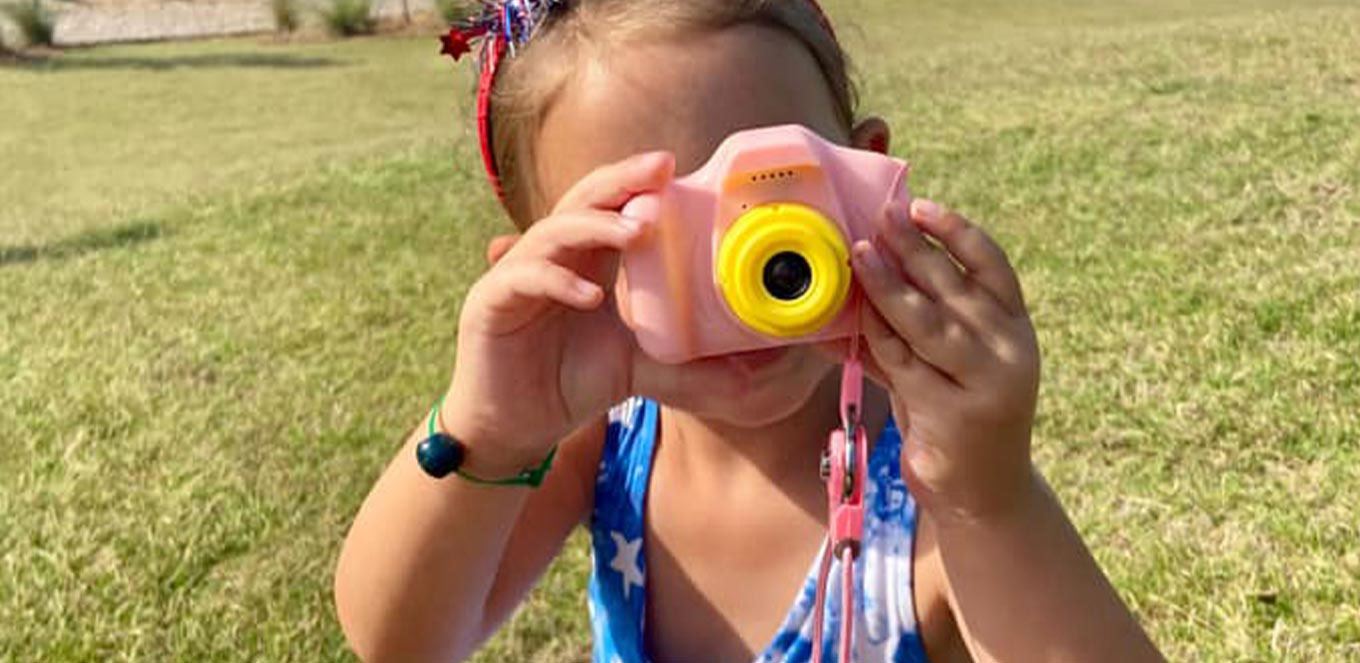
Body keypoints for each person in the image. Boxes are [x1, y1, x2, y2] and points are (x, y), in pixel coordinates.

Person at [334, 1, 1164, 661]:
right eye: (653, 239)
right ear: (556, 275)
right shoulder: (605, 440)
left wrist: (994, 503)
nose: (741, 277)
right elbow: (402, 642)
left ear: (867, 179)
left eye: (775, 205)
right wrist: (485, 430)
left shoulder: (929, 490)